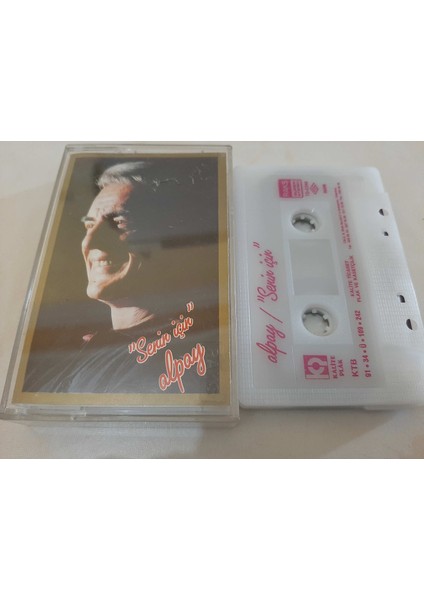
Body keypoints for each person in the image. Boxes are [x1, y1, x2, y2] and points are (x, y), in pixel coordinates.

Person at [23, 159, 220, 395]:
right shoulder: (79, 348)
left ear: (172, 238)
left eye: (119, 223)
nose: (91, 242)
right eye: (89, 226)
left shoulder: (180, 358)